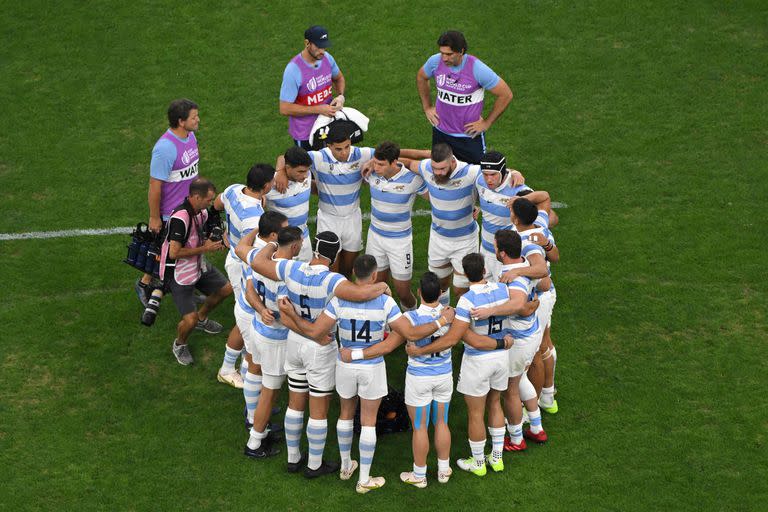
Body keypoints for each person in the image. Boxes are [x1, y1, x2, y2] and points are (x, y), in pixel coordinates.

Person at [279, 255, 453, 494]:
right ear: (374, 276)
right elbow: (409, 334)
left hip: (345, 365)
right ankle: (364, 479)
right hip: (372, 367)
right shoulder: (385, 302)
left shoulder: (338, 300)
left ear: (353, 274)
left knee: (345, 414)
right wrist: (443, 319)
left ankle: (345, 467)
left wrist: (291, 316)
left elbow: (315, 330)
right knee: (368, 421)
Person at [244, 232, 389, 477]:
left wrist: (271, 243)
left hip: (293, 342)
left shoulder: (292, 268)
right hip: (319, 348)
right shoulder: (334, 281)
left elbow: (257, 262)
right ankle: (314, 465)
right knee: (318, 409)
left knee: (295, 402)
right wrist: (383, 285)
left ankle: (293, 459)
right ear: (334, 257)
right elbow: (363, 293)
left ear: (315, 251)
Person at [406, 253, 536, 476]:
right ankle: (496, 458)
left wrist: (419, 351)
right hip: (501, 357)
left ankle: (478, 463)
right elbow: (522, 306)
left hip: (478, 361)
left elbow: (453, 338)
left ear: (465, 275)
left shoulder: (466, 301)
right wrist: (537, 302)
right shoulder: (502, 289)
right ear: (484, 270)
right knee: (495, 403)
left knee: (476, 413)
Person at [339, 271, 455, 488]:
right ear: (441, 293)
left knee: (420, 427)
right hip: (443, 376)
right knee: (441, 422)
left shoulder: (409, 319)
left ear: (419, 292)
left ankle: (419, 476)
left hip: (419, 379)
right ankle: (443, 469)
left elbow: (387, 346)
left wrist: (355, 355)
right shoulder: (451, 315)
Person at [470, 229, 548, 451]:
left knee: (510, 390)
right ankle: (536, 427)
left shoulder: (512, 278)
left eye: (495, 247)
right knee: (520, 379)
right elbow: (540, 285)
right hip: (532, 333)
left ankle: (516, 439)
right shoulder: (526, 264)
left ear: (502, 253)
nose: (493, 249)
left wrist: (489, 310)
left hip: (520, 339)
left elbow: (517, 305)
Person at [235, 223, 303, 457]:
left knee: (256, 371)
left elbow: (249, 290)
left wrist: (261, 309)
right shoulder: (288, 274)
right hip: (275, 339)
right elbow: (286, 315)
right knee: (270, 391)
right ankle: (254, 442)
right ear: (294, 246)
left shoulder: (259, 258)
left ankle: (257, 426)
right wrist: (309, 330)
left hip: (257, 330)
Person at [211, 163, 275, 388]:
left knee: (247, 319)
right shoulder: (255, 219)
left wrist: (226, 231)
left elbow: (216, 205)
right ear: (266, 186)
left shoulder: (232, 190)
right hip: (244, 266)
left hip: (234, 258)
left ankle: (239, 368)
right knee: (248, 322)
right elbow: (256, 252)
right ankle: (232, 370)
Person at [158, 178, 230, 366]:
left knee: (226, 288)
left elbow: (209, 224)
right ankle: (180, 344)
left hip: (198, 267)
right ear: (196, 197)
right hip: (180, 275)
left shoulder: (200, 211)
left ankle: (202, 317)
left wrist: (218, 236)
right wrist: (205, 249)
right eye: (208, 200)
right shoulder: (180, 218)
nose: (210, 203)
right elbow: (174, 253)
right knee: (187, 321)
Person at [136, 99, 200, 306]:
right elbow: (155, 185)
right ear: (181, 121)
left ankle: (187, 285)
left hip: (188, 208)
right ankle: (144, 284)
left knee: (185, 250)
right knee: (164, 254)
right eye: (194, 117)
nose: (198, 119)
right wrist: (155, 217)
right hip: (171, 214)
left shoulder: (190, 137)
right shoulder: (165, 148)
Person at [231, 212, 290, 434]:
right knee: (254, 364)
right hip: (251, 314)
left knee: (254, 361)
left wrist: (258, 228)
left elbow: (240, 247)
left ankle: (254, 410)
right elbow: (249, 291)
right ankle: (252, 416)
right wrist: (263, 309)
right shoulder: (264, 257)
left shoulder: (253, 248)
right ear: (274, 235)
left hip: (249, 311)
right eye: (284, 228)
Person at [416, 31, 513, 164]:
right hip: (440, 133)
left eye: (449, 54)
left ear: (461, 51)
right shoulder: (435, 61)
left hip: (468, 137)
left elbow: (506, 94)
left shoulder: (477, 69)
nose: (444, 58)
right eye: (442, 53)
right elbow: (421, 76)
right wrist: (427, 107)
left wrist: (487, 123)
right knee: (441, 173)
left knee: (477, 176)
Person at [405, 143, 480, 305]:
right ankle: (443, 319)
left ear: (453, 161)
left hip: (465, 241)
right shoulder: (427, 168)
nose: (437, 173)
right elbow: (409, 163)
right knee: (440, 285)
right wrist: (381, 157)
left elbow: (492, 174)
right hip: (438, 239)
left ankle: (461, 322)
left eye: (442, 169)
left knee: (462, 289)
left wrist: (514, 173)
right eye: (435, 168)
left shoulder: (470, 172)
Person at [364, 141, 430, 310]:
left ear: (394, 162)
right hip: (375, 238)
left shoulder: (413, 179)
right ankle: (383, 325)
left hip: (399, 243)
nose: (376, 167)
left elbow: (436, 199)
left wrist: (469, 207)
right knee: (376, 287)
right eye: (374, 162)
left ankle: (413, 321)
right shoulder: (370, 173)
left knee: (403, 293)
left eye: (381, 164)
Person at [279, 25, 346, 150]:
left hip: (328, 125)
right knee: (308, 168)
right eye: (318, 46)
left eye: (324, 46)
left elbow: (339, 78)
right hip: (305, 134)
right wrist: (318, 109)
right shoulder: (293, 70)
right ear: (307, 43)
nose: (322, 51)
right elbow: (284, 108)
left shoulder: (327, 58)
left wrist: (341, 96)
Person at [475, 151, 530, 280]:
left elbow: (543, 214)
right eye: (485, 174)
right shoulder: (479, 179)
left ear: (502, 171)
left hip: (505, 257)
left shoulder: (519, 191)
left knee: (505, 297)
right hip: (484, 251)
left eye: (493, 174)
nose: (489, 179)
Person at [267, 147, 313, 261]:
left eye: (307, 170)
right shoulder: (271, 185)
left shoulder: (306, 175)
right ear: (288, 168)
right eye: (301, 171)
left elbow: (282, 156)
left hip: (304, 238)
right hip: (283, 244)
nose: (305, 175)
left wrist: (280, 170)